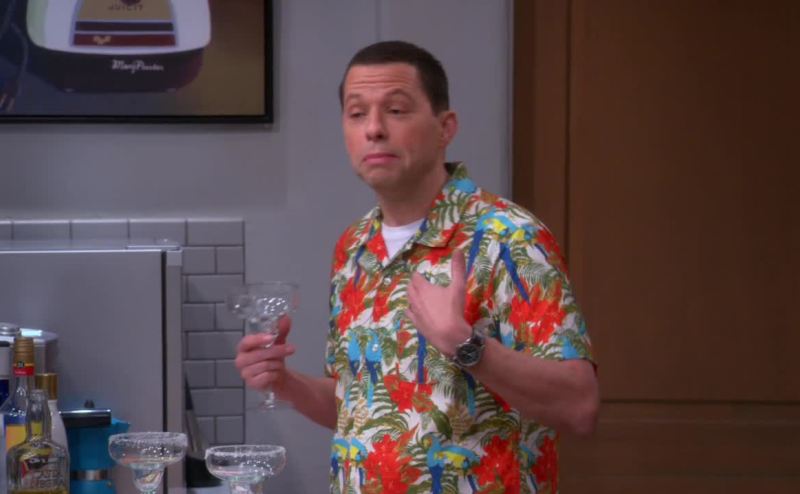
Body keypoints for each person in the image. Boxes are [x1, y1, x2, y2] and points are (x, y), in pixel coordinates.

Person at [236, 40, 599, 493]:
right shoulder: (354, 248)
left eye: (396, 110)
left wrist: (466, 346)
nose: (374, 129)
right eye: (357, 113)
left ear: (446, 128)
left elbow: (579, 406)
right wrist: (285, 384)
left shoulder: (508, 237)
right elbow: (362, 408)